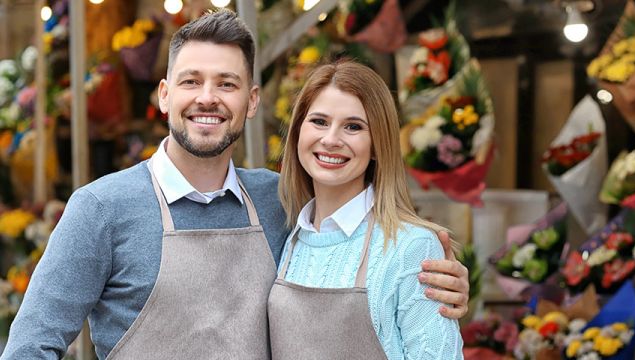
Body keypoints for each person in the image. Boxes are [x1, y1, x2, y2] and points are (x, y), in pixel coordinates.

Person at [1, 10, 469, 360]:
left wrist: (435, 280)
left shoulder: (281, 201)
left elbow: (358, 251)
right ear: (165, 95)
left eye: (227, 83)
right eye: (191, 81)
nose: (208, 98)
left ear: (251, 101)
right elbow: (29, 347)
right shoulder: (101, 209)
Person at [268, 60, 464, 359]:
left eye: (353, 126)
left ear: (377, 146)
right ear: (297, 133)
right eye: (319, 121)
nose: (331, 139)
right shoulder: (288, 237)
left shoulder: (412, 247)